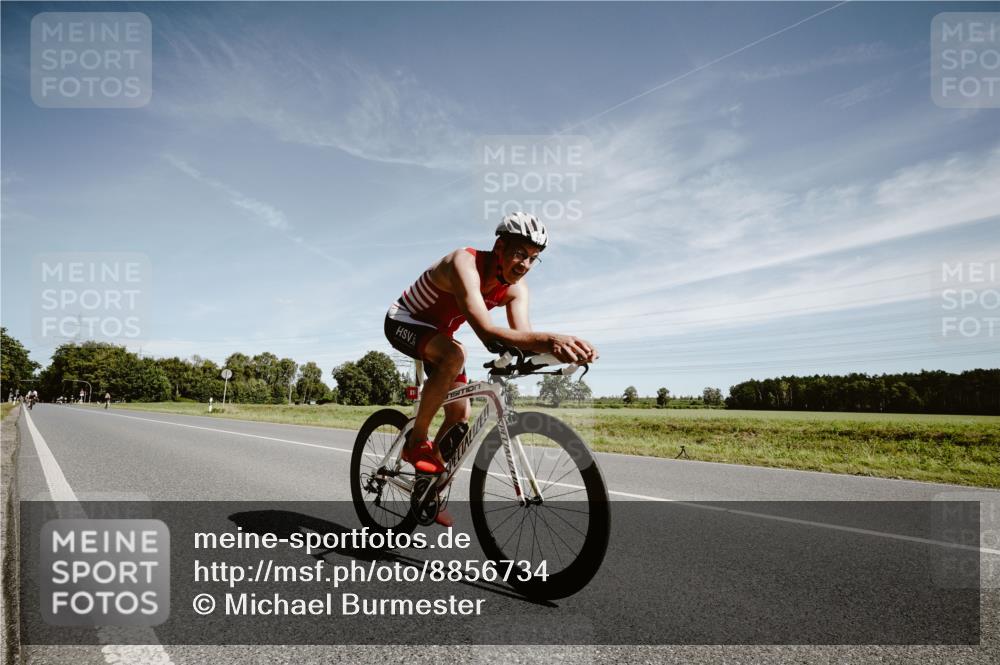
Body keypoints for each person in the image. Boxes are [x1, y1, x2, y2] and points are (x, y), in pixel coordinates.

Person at [384, 212, 598, 526]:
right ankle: (416, 443)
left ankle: (425, 492)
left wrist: (565, 354)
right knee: (456, 354)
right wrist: (550, 340)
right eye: (519, 254)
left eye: (533, 259)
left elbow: (524, 340)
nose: (525, 265)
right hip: (405, 321)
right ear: (499, 246)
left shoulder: (516, 289)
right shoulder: (464, 263)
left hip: (440, 336)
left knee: (460, 416)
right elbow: (486, 331)